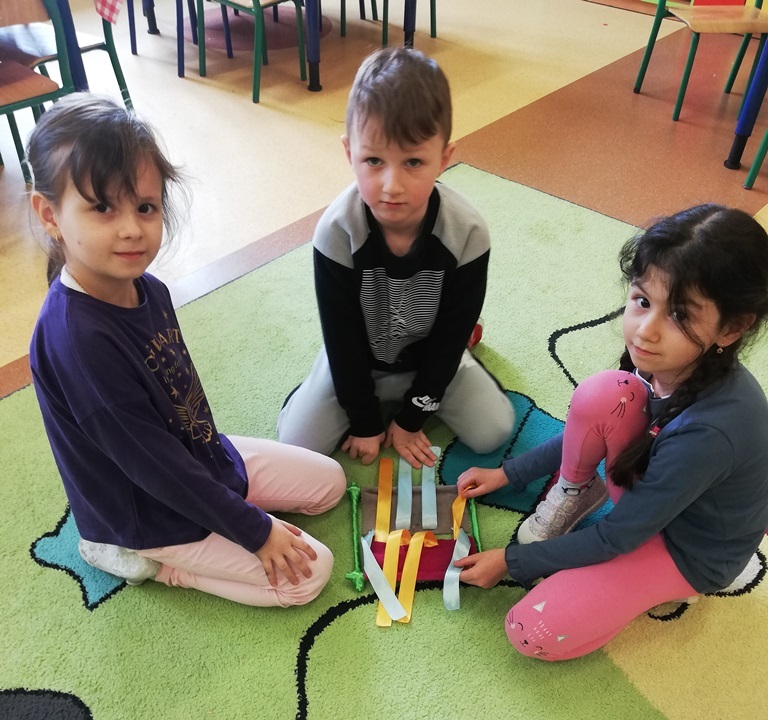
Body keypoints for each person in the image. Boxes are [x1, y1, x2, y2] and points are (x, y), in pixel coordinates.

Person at [27, 94, 346, 607]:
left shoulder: (147, 288)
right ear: (50, 214)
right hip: (146, 508)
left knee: (329, 484)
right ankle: (148, 561)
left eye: (145, 207)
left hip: (197, 457)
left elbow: (179, 403)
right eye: (102, 207)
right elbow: (155, 469)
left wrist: (230, 494)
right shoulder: (80, 343)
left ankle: (215, 507)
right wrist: (256, 531)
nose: (132, 228)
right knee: (309, 575)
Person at [454, 205, 768, 660]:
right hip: (657, 499)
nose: (645, 331)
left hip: (688, 551)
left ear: (732, 328)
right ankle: (576, 493)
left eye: (680, 315)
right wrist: (509, 474)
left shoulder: (709, 433)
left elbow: (618, 537)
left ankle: (660, 585)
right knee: (607, 393)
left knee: (530, 629)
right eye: (642, 301)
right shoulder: (673, 366)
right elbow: (588, 427)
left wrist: (510, 561)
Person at [277, 47, 514, 471]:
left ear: (444, 158)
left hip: (430, 359)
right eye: (373, 160)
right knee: (297, 443)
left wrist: (410, 419)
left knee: (494, 430)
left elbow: (448, 336)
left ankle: (460, 367)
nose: (392, 185)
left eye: (413, 162)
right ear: (349, 153)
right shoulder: (337, 232)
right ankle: (330, 383)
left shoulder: (468, 233)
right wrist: (365, 422)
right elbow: (343, 336)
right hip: (358, 359)